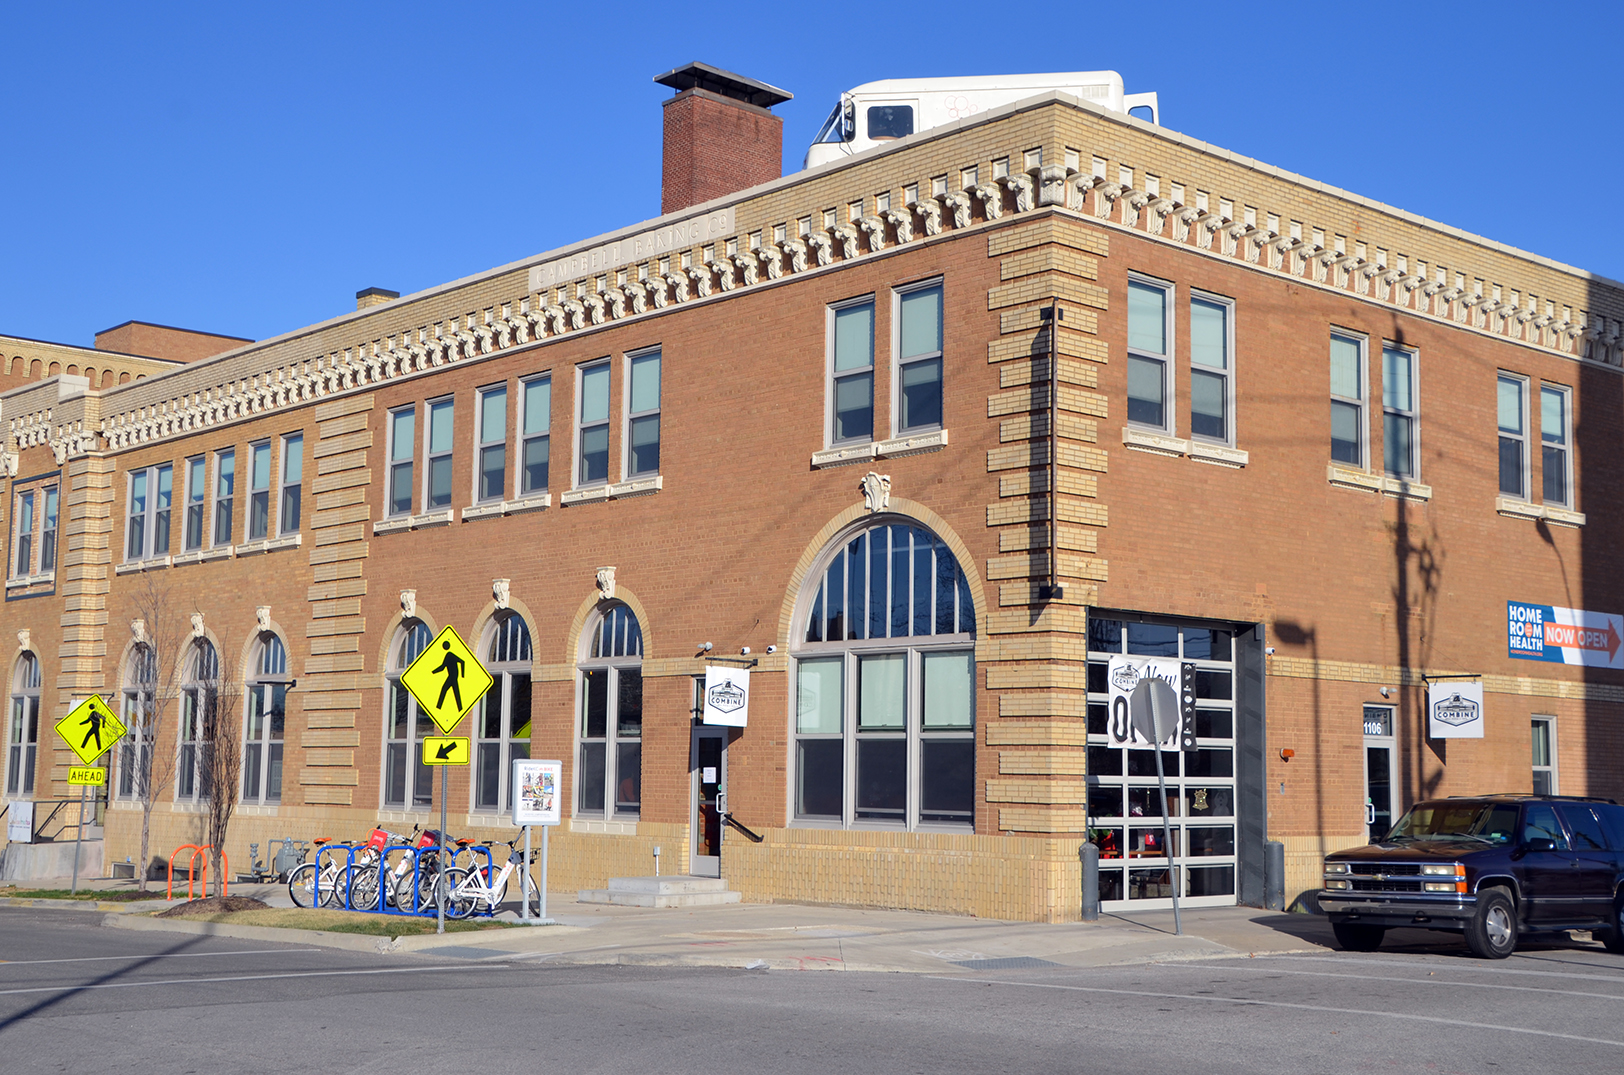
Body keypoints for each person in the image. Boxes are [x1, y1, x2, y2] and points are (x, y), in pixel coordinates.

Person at [432, 640, 464, 710]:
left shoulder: (450, 655)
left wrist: (463, 675)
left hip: (453, 677)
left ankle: (438, 707)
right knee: (456, 693)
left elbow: (462, 662)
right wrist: (433, 672)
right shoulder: (448, 655)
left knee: (445, 690)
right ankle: (459, 708)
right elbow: (442, 667)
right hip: (453, 677)